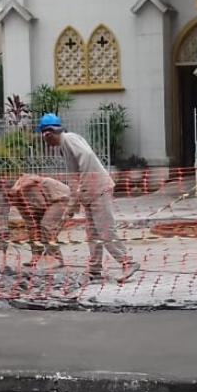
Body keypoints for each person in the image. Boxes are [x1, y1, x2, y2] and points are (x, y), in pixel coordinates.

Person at [37, 113, 139, 282]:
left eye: (43, 135)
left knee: (105, 230)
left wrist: (81, 186)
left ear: (48, 133)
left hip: (98, 189)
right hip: (89, 193)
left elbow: (87, 156)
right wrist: (73, 202)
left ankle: (127, 262)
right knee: (92, 233)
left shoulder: (68, 139)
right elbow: (74, 176)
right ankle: (94, 269)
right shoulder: (64, 145)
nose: (44, 140)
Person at [6, 173, 73, 268]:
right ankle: (36, 257)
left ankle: (56, 258)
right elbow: (32, 226)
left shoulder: (24, 184)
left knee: (46, 225)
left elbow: (35, 178)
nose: (9, 203)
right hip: (45, 202)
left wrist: (19, 186)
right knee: (34, 228)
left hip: (59, 197)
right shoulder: (17, 202)